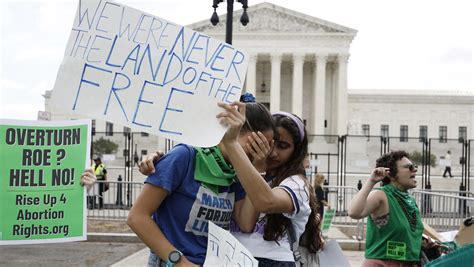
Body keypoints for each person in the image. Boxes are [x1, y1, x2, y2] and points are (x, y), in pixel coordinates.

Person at [127, 97, 276, 266]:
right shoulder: (184, 156)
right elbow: (137, 217)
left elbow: (246, 223)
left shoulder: (237, 173)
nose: (259, 152)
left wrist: (257, 167)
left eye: (266, 148)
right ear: (232, 130)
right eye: (256, 144)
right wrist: (179, 262)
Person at [222, 110, 323, 266]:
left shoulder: (296, 183)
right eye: (268, 143)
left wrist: (257, 167)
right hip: (235, 258)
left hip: (273, 260)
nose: (273, 153)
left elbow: (266, 202)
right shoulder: (243, 173)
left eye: (283, 146)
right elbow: (246, 224)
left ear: (295, 152)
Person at [348, 151, 423, 267]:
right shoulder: (381, 195)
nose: (415, 170)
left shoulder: (410, 201)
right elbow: (354, 212)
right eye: (409, 167)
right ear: (391, 174)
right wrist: (371, 181)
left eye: (415, 166)